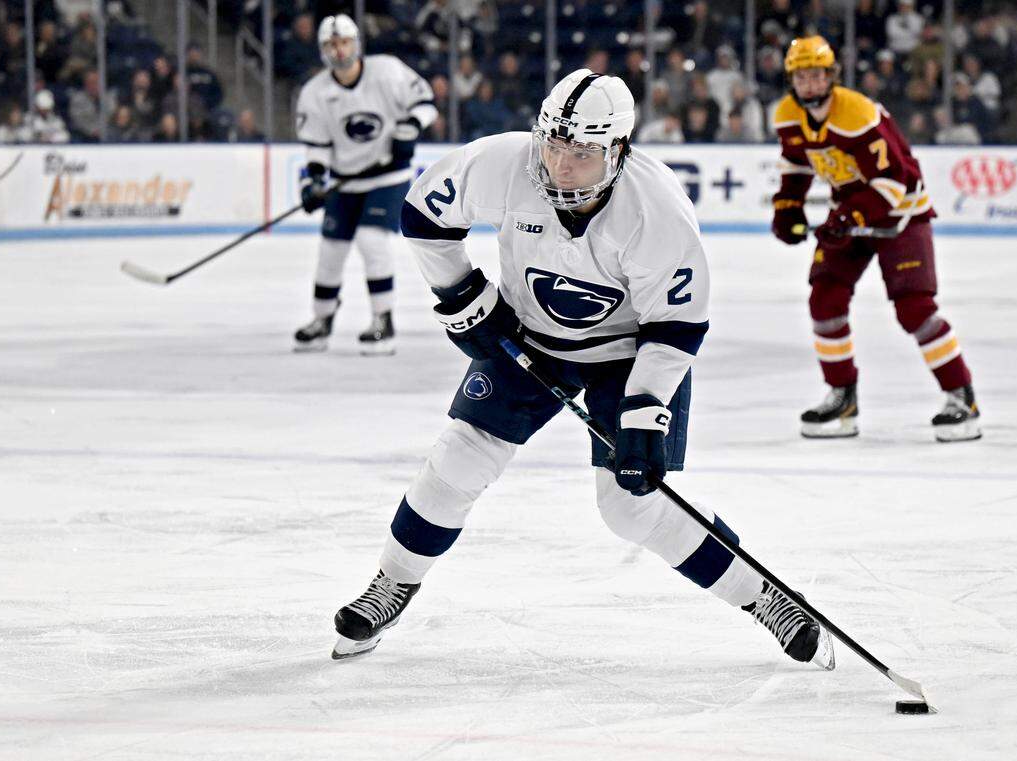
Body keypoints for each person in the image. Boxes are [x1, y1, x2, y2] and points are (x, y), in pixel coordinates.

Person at [329, 69, 836, 671]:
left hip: (629, 355)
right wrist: (463, 294)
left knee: (630, 506)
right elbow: (423, 214)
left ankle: (766, 598)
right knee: (459, 457)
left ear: (618, 150)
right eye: (555, 145)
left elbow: (674, 330)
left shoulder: (657, 211)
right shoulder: (503, 165)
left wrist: (646, 415)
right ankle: (392, 582)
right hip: (528, 340)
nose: (562, 166)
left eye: (584, 152)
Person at [769, 37, 981, 442]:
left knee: (915, 309)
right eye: (802, 76)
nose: (810, 84)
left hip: (901, 214)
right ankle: (842, 396)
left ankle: (962, 397)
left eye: (816, 75)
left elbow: (894, 182)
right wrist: (788, 206)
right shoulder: (787, 115)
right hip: (853, 211)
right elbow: (797, 161)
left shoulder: (857, 114)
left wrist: (850, 216)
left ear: (831, 76)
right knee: (824, 299)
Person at [293, 14, 437, 354]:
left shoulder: (387, 71)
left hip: (388, 177)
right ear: (322, 50)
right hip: (346, 181)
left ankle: (382, 321)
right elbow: (317, 147)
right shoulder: (315, 93)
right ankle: (322, 321)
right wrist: (314, 180)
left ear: (356, 43)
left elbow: (426, 103)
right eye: (331, 44)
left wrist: (411, 127)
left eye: (343, 42)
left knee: (371, 241)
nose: (339, 50)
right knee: (330, 251)